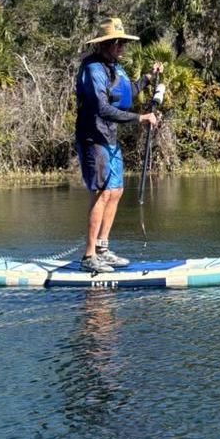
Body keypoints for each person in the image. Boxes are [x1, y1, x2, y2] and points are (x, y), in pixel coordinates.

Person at [74, 16, 160, 273]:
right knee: (101, 193)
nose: (122, 47)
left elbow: (127, 93)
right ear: (105, 44)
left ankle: (102, 248)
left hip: (110, 137)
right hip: (93, 139)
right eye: (118, 43)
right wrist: (139, 118)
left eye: (123, 42)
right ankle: (89, 257)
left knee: (116, 191)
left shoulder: (114, 68)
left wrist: (147, 79)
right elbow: (101, 107)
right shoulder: (92, 70)